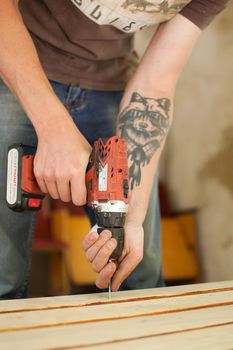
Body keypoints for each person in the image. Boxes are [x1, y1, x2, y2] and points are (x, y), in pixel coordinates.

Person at [0, 0, 228, 299]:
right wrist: (54, 128)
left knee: (138, 272)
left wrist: (131, 216)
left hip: (110, 83)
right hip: (16, 64)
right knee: (5, 274)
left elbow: (155, 85)